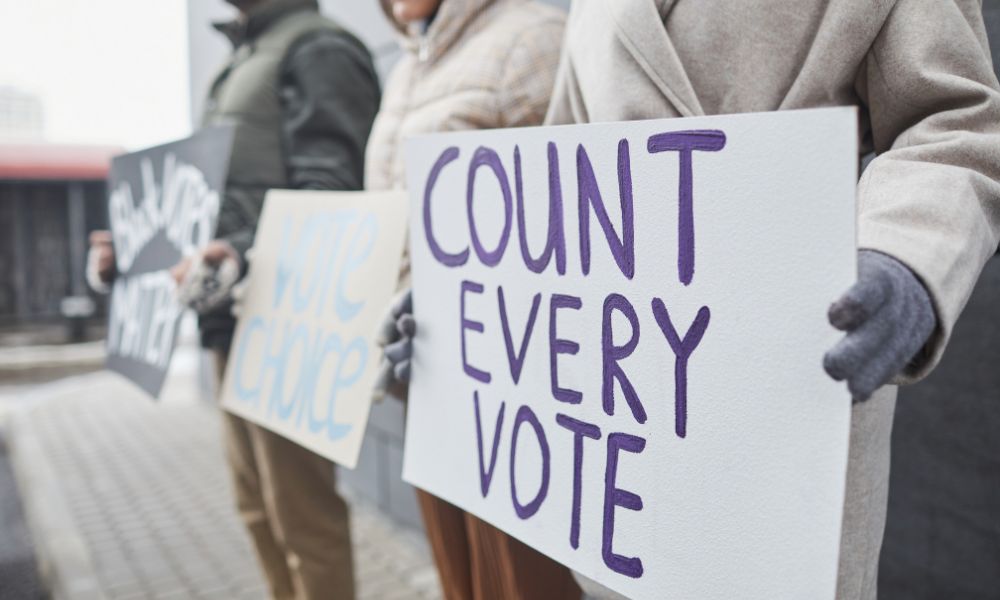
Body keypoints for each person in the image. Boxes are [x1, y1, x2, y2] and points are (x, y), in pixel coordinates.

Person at [383, 0, 1000, 598]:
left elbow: (956, 119)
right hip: (618, 395)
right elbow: (558, 180)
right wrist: (461, 297)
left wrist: (904, 254)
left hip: (791, 370)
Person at [88, 1, 380, 598]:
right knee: (259, 514)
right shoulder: (242, 58)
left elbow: (332, 194)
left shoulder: (318, 49)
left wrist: (239, 252)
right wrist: (135, 252)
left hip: (289, 322)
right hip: (230, 323)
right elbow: (210, 202)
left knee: (304, 524)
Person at [367, 0, 580, 599]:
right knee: (460, 578)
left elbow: (574, 226)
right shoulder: (408, 67)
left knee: (519, 584)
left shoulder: (531, 38)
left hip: (509, 390)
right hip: (422, 371)